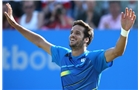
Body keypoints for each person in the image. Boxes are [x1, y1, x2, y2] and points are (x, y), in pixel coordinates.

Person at [4, 3, 136, 90]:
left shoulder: (94, 58)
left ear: (86, 39)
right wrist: (15, 25)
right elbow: (39, 42)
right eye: (71, 32)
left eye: (77, 33)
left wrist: (124, 31)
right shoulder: (63, 55)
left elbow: (118, 51)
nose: (72, 35)